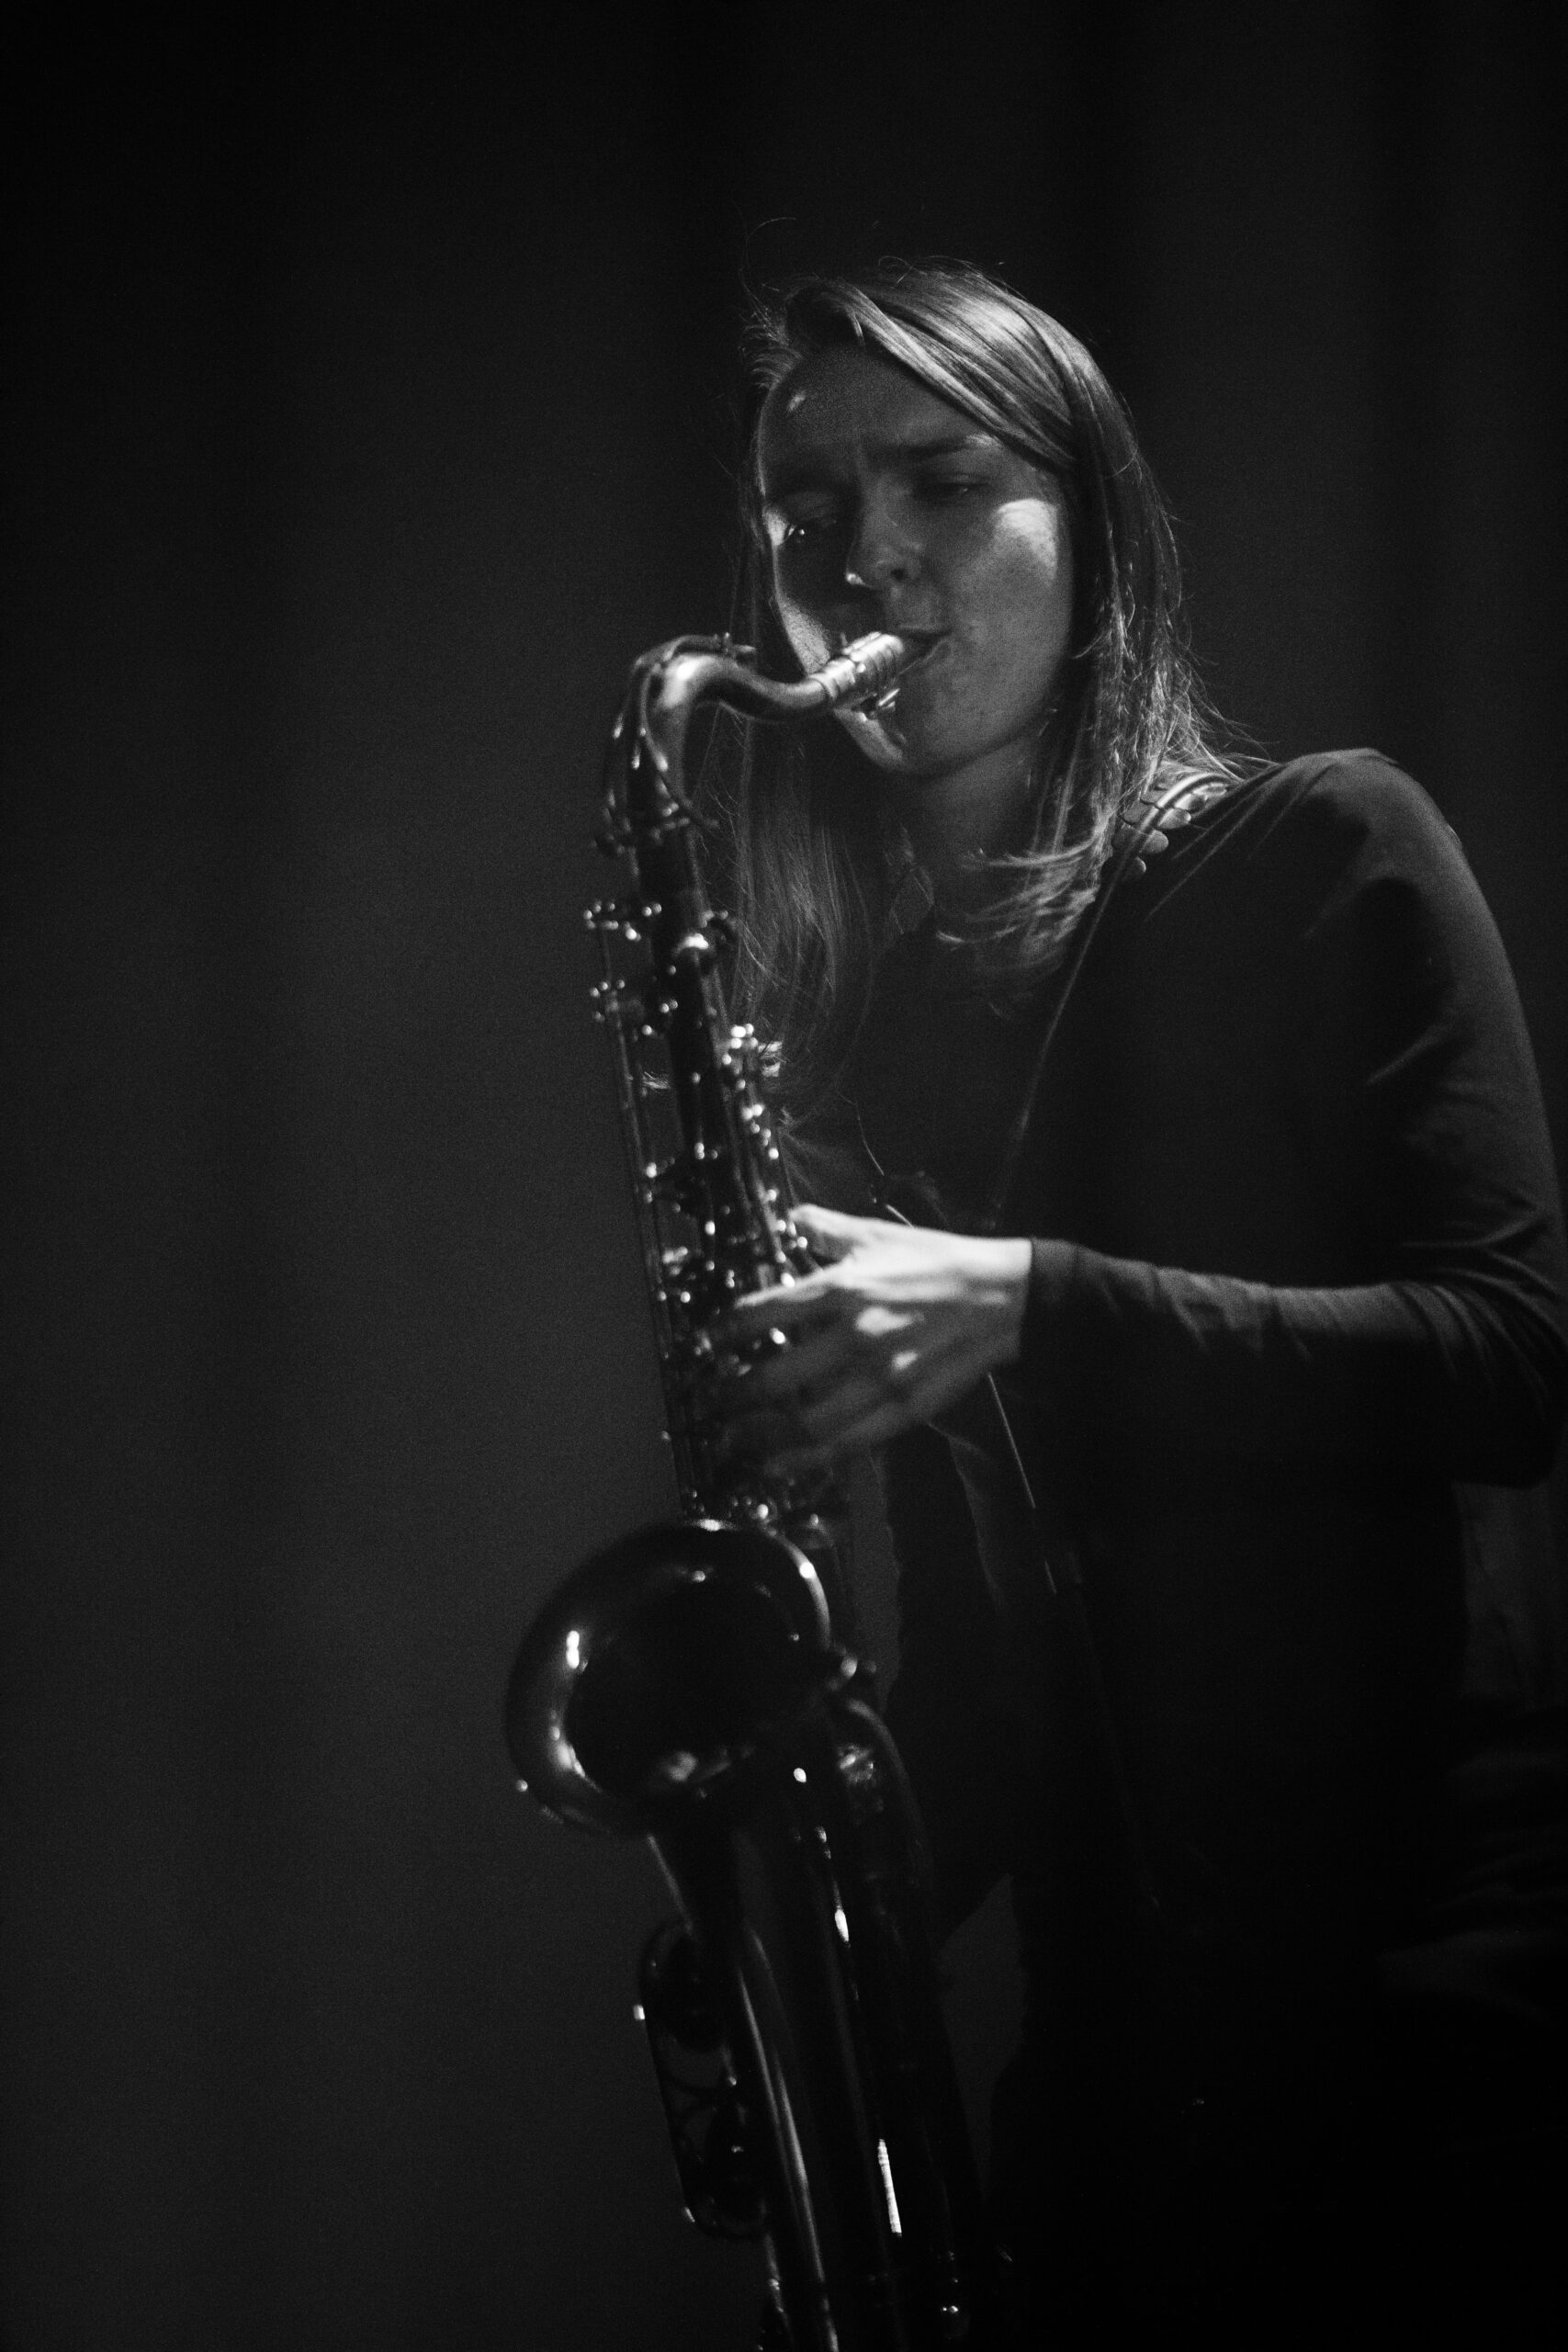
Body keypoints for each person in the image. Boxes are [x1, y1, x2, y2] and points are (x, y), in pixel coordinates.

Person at [699, 263, 1568, 2340]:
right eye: (808, 511)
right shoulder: (872, 1050)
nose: (864, 555)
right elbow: (990, 1665)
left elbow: (1507, 1356)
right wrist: (811, 1927)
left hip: (1428, 2001)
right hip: (1117, 2062)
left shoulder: (1323, 845)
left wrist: (1027, 1302)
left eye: (940, 479)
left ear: (1089, 525)